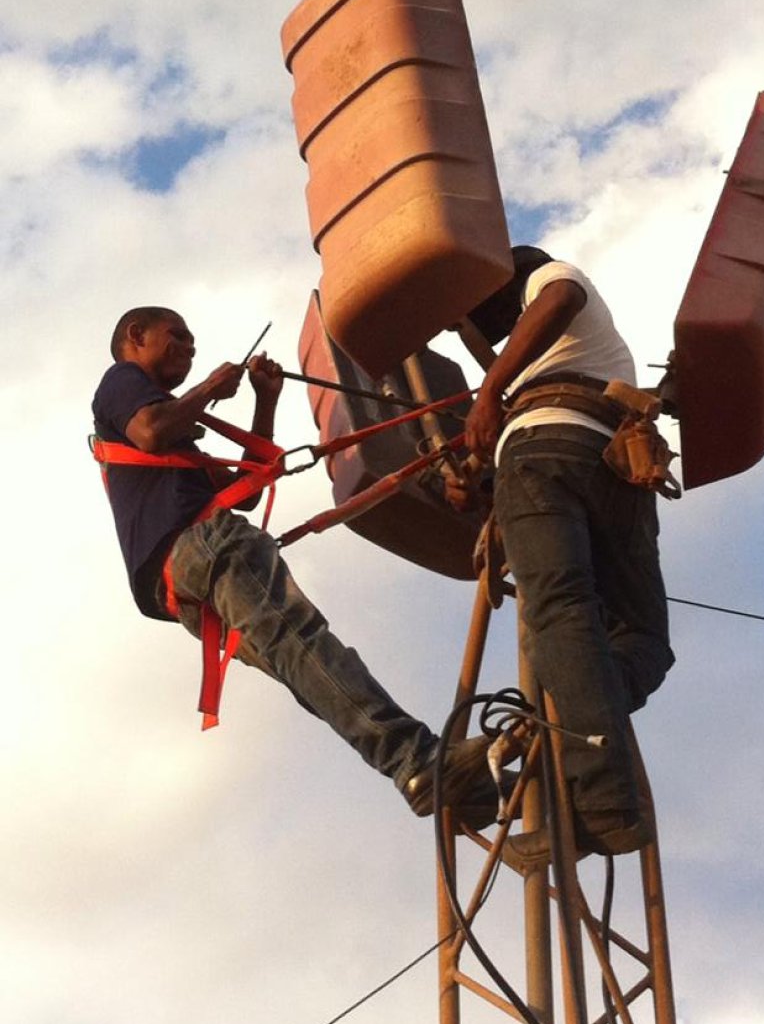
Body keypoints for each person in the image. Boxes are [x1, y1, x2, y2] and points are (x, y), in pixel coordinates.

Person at [92, 306, 498, 824]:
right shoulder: (123, 384)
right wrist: (211, 389)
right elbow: (151, 430)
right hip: (198, 551)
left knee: (302, 662)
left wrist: (266, 400)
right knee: (304, 644)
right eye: (179, 337)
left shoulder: (171, 440)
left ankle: (442, 783)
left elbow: (242, 491)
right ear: (136, 336)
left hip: (181, 586)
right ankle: (417, 760)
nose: (190, 350)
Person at [454, 247, 675, 856]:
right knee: (623, 634)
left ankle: (600, 800)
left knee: (565, 617)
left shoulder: (550, 279)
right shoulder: (545, 362)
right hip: (599, 466)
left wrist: (488, 390)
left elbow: (560, 296)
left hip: (557, 457)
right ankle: (577, 722)